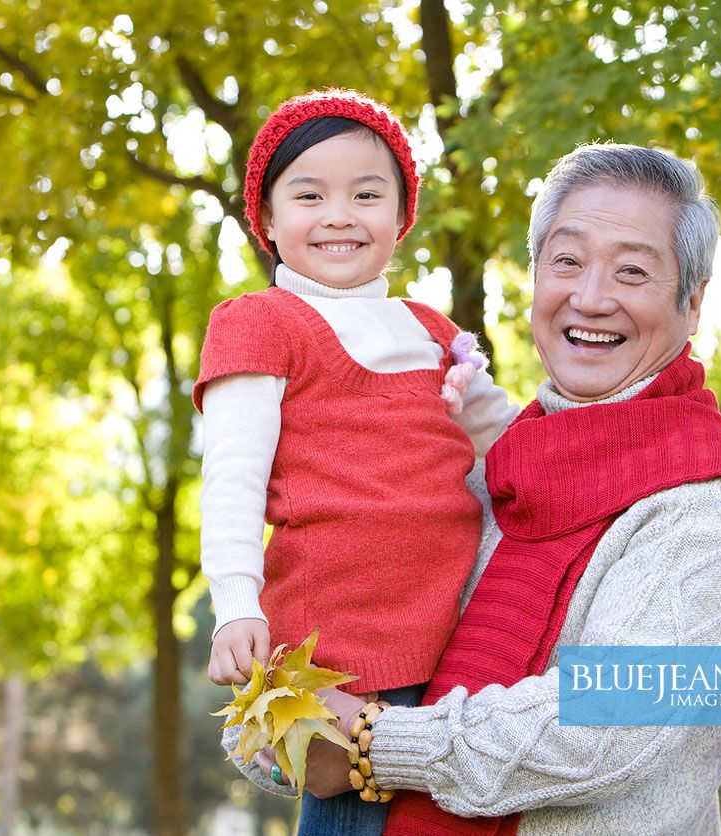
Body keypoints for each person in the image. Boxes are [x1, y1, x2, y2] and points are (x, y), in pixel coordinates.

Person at [239, 143, 721, 835]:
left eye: (632, 271)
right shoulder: (482, 473)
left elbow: (604, 725)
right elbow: (351, 632)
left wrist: (372, 743)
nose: (589, 297)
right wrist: (277, 722)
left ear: (690, 303)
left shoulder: (711, 509)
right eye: (566, 261)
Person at [193, 90, 517, 833]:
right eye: (309, 195)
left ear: (400, 218)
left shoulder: (432, 329)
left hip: (454, 629)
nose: (339, 214)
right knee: (352, 818)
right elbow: (232, 480)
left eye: (366, 194)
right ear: (268, 220)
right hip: (335, 645)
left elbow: (505, 442)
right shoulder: (260, 322)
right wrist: (236, 605)